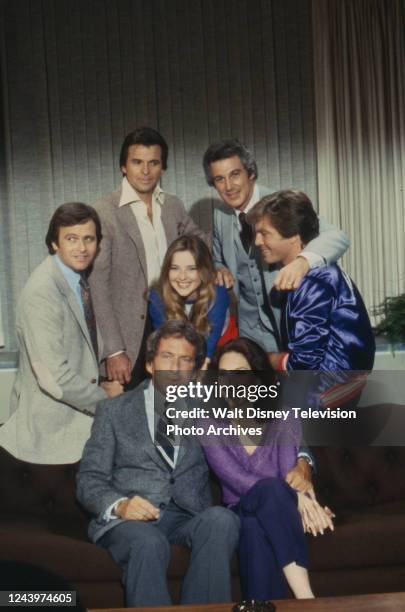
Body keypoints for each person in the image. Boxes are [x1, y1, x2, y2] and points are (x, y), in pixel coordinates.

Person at [76, 320, 240, 608]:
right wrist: (120, 504)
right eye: (167, 357)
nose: (175, 367)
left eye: (185, 359)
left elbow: (262, 428)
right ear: (150, 364)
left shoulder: (208, 409)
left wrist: (302, 461)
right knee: (148, 542)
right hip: (130, 520)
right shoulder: (114, 411)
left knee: (221, 520)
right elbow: (89, 479)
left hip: (187, 516)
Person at [201, 338, 334, 600]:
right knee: (267, 495)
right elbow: (236, 480)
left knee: (253, 529)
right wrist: (300, 500)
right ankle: (306, 599)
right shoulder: (208, 424)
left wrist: (298, 497)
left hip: (272, 511)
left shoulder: (284, 418)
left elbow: (288, 473)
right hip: (239, 506)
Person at [0, 203, 122, 465]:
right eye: (72, 239)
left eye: (88, 239)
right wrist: (106, 399)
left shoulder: (76, 279)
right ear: (55, 243)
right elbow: (54, 379)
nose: (81, 248)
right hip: (49, 439)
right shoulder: (42, 292)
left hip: (76, 429)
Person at [203, 138, 350, 354]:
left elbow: (337, 236)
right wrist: (218, 267)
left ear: (250, 173)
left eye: (235, 174)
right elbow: (218, 258)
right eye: (219, 179)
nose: (228, 186)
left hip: (292, 324)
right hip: (251, 331)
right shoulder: (220, 216)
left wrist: (303, 261)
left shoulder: (280, 203)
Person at [89, 127, 208, 390]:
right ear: (123, 166)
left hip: (168, 316)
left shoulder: (173, 205)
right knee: (130, 411)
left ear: (162, 168)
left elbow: (201, 243)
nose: (145, 171)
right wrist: (114, 350)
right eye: (137, 162)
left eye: (153, 163)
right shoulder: (104, 212)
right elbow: (98, 287)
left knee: (173, 403)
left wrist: (219, 266)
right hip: (128, 331)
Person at [249, 189, 375, 376]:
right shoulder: (318, 271)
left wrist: (269, 359)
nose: (257, 241)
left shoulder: (311, 282)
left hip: (327, 388)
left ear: (294, 236)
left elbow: (303, 364)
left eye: (264, 233)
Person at [148, 235, 237, 366]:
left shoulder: (218, 292)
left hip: (221, 353)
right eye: (175, 268)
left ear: (204, 270)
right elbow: (168, 346)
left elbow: (207, 352)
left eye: (191, 268)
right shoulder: (158, 296)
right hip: (181, 357)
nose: (182, 276)